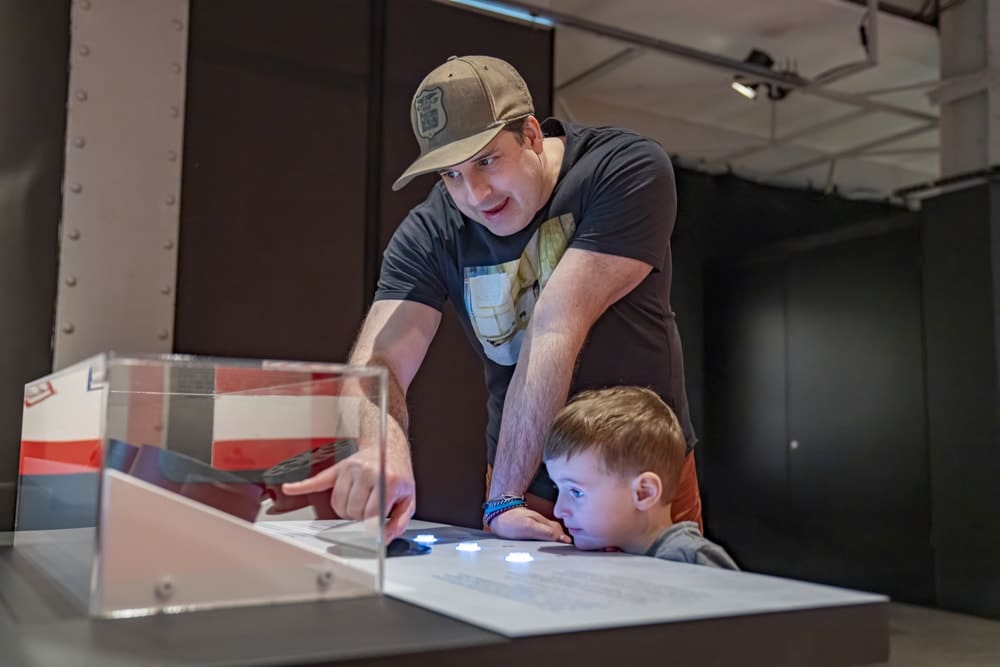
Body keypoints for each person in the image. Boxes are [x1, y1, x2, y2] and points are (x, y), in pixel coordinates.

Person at [282, 54, 700, 542]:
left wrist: (502, 497)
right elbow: (375, 365)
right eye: (450, 175)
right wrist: (382, 445)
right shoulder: (430, 230)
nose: (475, 193)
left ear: (531, 135)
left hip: (640, 473)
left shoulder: (622, 170)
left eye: (486, 160)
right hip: (530, 485)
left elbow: (554, 326)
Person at [544, 387, 737, 568]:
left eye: (576, 492)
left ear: (644, 493)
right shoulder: (613, 552)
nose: (559, 510)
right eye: (557, 489)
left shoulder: (692, 560)